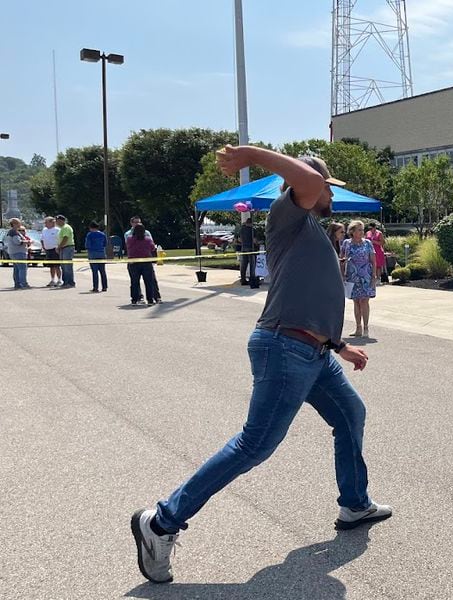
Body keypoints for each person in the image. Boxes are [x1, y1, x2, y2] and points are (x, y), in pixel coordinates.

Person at [131, 145, 390, 585]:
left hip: (315, 352)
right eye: (327, 186)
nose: (331, 196)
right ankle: (161, 522)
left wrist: (340, 344)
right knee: (255, 445)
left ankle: (354, 503)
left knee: (350, 414)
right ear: (311, 183)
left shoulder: (310, 227)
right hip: (283, 349)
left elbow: (307, 293)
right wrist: (252, 154)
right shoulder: (286, 214)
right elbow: (307, 183)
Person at [341, 220, 377, 337]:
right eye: (359, 230)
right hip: (352, 276)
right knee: (356, 301)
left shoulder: (367, 243)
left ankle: (366, 328)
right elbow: (342, 259)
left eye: (362, 230)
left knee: (365, 301)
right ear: (352, 232)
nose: (362, 232)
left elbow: (373, 260)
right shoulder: (346, 243)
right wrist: (342, 274)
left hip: (366, 275)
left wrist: (374, 275)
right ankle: (358, 328)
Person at [126, 224, 160, 305]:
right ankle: (150, 300)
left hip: (133, 262)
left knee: (134, 282)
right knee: (149, 282)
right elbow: (152, 248)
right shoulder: (148, 240)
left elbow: (127, 247)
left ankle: (134, 300)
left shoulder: (129, 239)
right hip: (146, 262)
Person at [6, 218, 31, 289]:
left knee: (17, 269)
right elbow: (18, 242)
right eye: (18, 223)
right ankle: (24, 284)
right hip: (18, 253)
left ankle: (17, 284)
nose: (20, 224)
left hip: (13, 252)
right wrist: (27, 242)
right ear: (13, 224)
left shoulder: (13, 232)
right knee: (22, 268)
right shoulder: (14, 232)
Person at [85, 221, 109, 292]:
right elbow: (105, 243)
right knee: (103, 271)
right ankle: (104, 287)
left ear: (91, 228)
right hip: (101, 254)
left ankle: (95, 287)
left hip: (93, 254)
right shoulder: (102, 234)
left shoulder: (89, 235)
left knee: (95, 272)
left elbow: (87, 245)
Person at [54, 215, 75, 288]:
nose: (56, 222)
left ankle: (70, 282)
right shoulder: (61, 229)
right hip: (63, 248)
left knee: (67, 266)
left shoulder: (66, 227)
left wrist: (59, 247)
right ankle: (65, 281)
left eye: (57, 221)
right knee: (63, 266)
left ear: (61, 220)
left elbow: (65, 238)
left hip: (67, 247)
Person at [41, 216, 62, 287]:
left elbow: (60, 239)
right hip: (48, 250)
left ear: (52, 222)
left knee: (57, 266)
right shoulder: (44, 230)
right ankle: (52, 280)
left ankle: (59, 280)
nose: (45, 224)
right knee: (51, 266)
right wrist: (43, 247)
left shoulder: (57, 230)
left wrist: (58, 248)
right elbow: (42, 239)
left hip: (55, 250)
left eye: (46, 222)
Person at [238, 219, 256, 285]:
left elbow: (239, 239)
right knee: (252, 264)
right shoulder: (252, 230)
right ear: (251, 223)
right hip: (251, 248)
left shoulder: (242, 230)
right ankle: (252, 279)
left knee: (244, 265)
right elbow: (254, 240)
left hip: (243, 248)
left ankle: (243, 280)